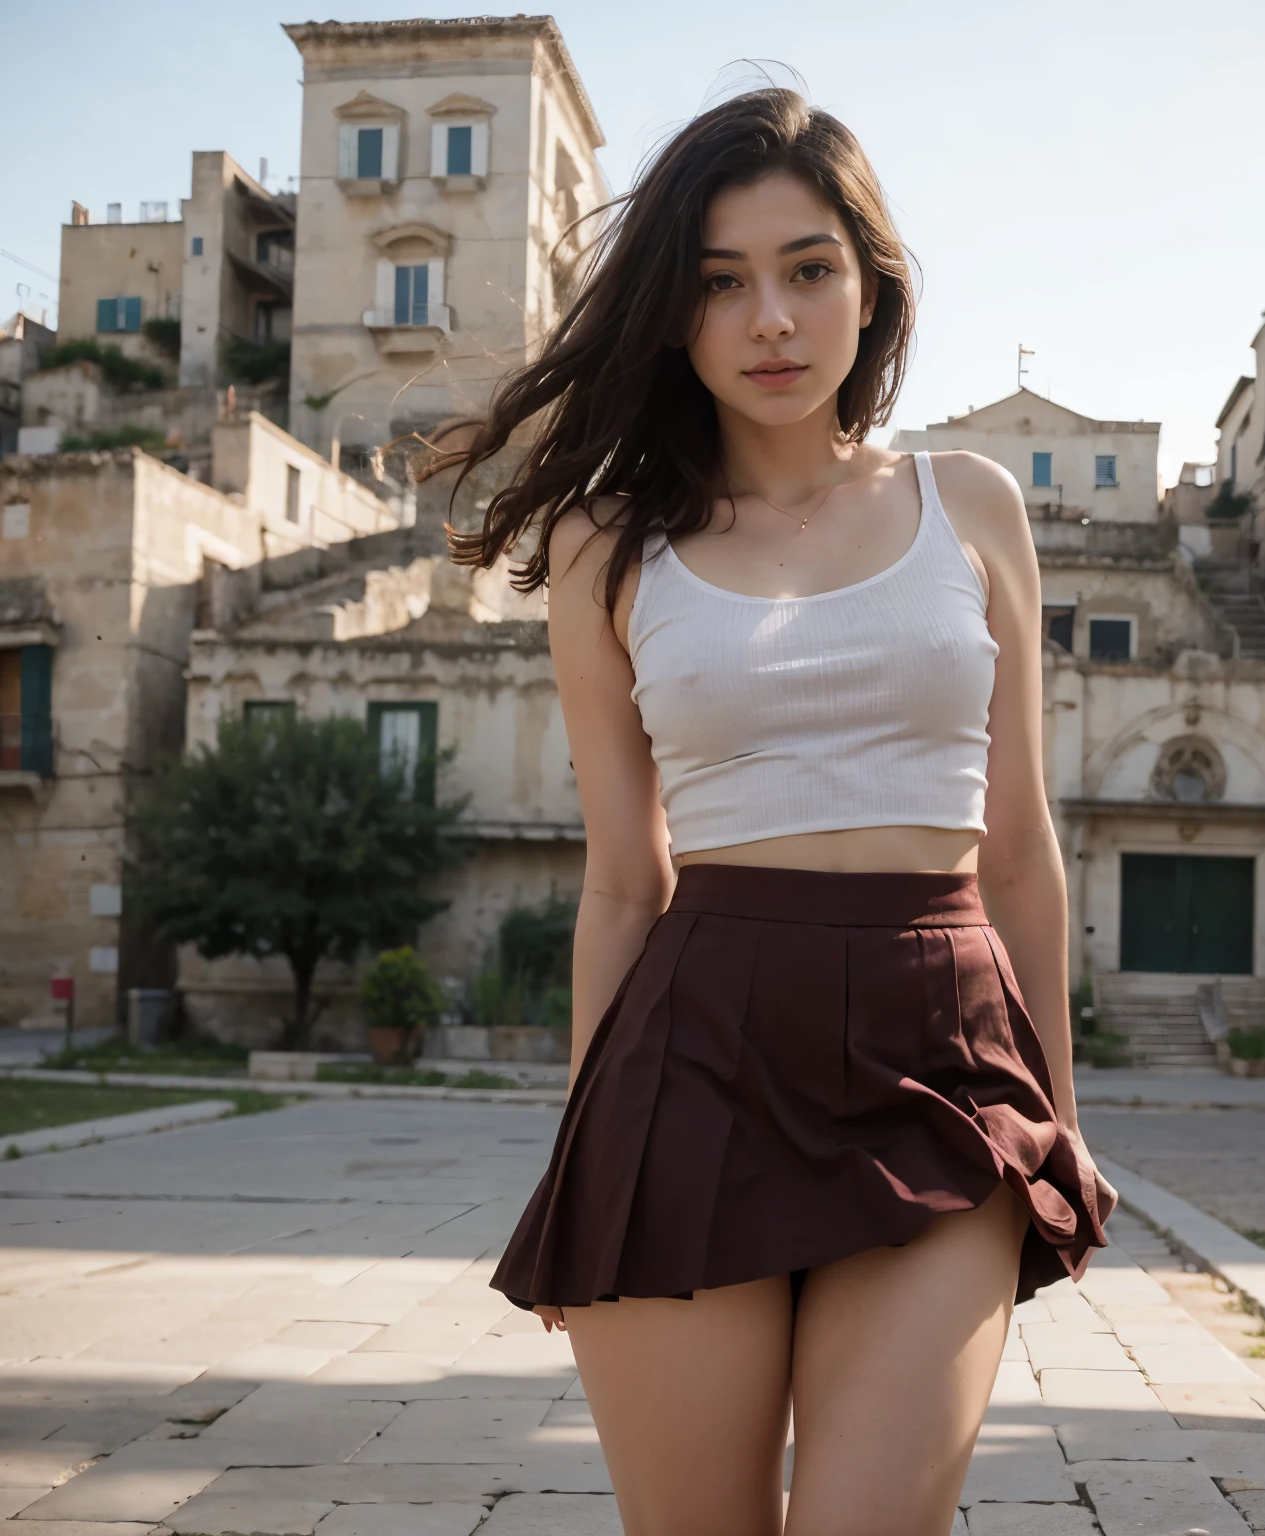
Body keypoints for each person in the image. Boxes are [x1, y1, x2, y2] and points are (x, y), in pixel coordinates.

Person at [450, 87, 1115, 1536]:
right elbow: (626, 881)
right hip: (691, 1055)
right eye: (720, 281)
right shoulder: (605, 546)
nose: (771, 319)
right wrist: (581, 1164)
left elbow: (1020, 851)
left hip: (942, 1053)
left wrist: (1058, 1117)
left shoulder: (975, 505)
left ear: (872, 290)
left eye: (810, 269)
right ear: (672, 316)